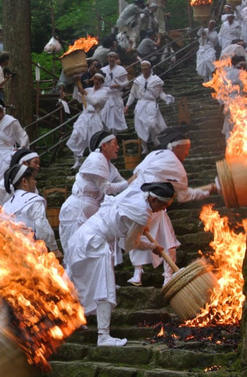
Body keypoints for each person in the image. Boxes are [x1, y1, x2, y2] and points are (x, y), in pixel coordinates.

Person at [66, 182, 175, 346]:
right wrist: (152, 246)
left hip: (81, 237)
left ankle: (74, 320)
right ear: (153, 199)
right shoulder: (142, 212)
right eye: (163, 205)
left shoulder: (134, 193)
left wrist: (138, 230)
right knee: (104, 287)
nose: (163, 209)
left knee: (80, 283)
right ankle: (103, 336)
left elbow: (127, 235)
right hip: (95, 242)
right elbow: (129, 244)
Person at [127, 130, 218, 286]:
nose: (187, 154)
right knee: (168, 239)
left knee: (136, 236)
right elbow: (183, 196)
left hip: (132, 201)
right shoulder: (175, 164)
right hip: (151, 203)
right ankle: (168, 277)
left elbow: (135, 175)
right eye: (186, 149)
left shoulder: (154, 155)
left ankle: (137, 274)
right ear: (177, 148)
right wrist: (208, 191)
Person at [59, 131, 131, 268]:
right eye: (115, 144)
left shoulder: (111, 167)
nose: (118, 147)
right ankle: (73, 284)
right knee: (75, 248)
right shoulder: (95, 159)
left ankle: (102, 283)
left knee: (97, 248)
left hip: (93, 209)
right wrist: (129, 182)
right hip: (77, 209)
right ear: (104, 145)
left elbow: (123, 185)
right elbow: (106, 188)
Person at [0, 164, 62, 259]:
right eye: (33, 178)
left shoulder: (6, 205)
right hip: (31, 255)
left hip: (10, 256)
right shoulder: (34, 200)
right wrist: (54, 249)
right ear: (24, 181)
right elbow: (42, 226)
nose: (35, 182)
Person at [124, 60, 174, 154]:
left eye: (146, 68)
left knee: (152, 124)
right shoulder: (138, 81)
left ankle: (157, 142)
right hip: (140, 105)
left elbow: (160, 93)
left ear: (150, 69)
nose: (145, 70)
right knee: (140, 126)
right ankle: (145, 148)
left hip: (151, 104)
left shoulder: (156, 80)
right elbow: (132, 94)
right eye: (143, 69)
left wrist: (166, 98)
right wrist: (127, 106)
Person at [67, 72, 108, 170]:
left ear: (102, 82)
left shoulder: (104, 93)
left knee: (93, 140)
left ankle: (94, 162)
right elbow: (76, 97)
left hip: (94, 117)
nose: (97, 81)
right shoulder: (88, 89)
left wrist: (85, 93)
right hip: (84, 117)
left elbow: (94, 102)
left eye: (99, 80)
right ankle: (77, 161)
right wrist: (77, 85)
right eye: (95, 79)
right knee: (75, 135)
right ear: (93, 79)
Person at [100, 51, 129, 134]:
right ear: (107, 58)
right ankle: (106, 133)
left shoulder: (121, 69)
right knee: (104, 116)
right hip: (105, 96)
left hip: (116, 96)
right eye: (110, 57)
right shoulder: (103, 70)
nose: (112, 58)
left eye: (113, 57)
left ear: (116, 58)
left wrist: (119, 85)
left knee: (115, 116)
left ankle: (114, 135)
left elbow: (126, 82)